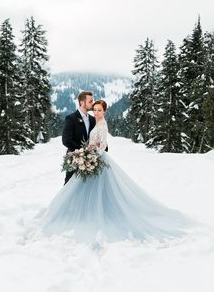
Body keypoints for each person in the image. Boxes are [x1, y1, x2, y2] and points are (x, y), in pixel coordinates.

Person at [41, 100, 194, 244]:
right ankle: (84, 214)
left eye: (99, 110)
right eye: (94, 109)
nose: (96, 112)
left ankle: (98, 215)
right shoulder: (97, 122)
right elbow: (94, 142)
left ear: (105, 111)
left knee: (99, 190)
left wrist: (91, 155)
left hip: (98, 160)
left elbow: (103, 146)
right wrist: (88, 150)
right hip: (94, 158)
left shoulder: (103, 125)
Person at [62, 91, 96, 184]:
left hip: (90, 161)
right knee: (69, 186)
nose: (93, 103)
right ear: (82, 103)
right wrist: (82, 152)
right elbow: (66, 140)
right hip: (74, 159)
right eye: (90, 101)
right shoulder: (71, 119)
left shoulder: (93, 120)